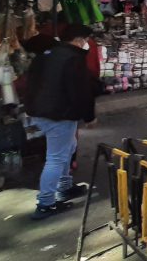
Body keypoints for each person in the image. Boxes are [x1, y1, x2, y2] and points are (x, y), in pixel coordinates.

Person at [24, 24, 97, 220]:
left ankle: (65, 186)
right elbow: (81, 90)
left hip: (40, 111)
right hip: (60, 113)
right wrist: (89, 116)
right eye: (85, 40)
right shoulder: (73, 58)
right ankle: (46, 203)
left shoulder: (46, 55)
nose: (86, 44)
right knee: (56, 157)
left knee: (68, 146)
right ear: (78, 40)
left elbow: (30, 82)